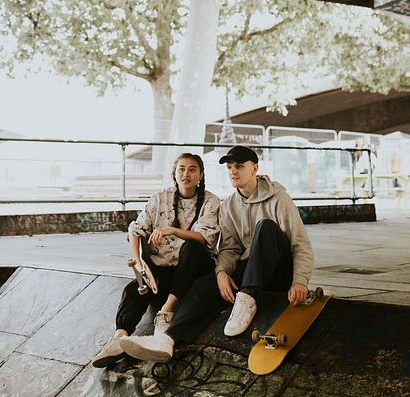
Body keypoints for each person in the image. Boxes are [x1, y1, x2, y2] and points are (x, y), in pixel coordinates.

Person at [121, 144, 314, 362]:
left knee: (266, 227)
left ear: (254, 168)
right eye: (230, 167)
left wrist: (300, 281)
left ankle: (248, 297)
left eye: (239, 166)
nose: (233, 171)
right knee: (204, 285)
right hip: (252, 270)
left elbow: (300, 243)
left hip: (278, 269)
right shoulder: (229, 205)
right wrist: (221, 273)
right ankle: (168, 339)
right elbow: (230, 248)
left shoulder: (279, 198)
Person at [92, 152, 220, 367]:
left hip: (195, 269)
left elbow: (204, 238)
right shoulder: (160, 198)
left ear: (201, 175)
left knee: (193, 247)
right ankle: (119, 339)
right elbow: (136, 230)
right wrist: (141, 266)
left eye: (192, 169)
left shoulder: (211, 201)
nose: (186, 174)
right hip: (165, 269)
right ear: (174, 173)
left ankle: (166, 312)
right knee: (134, 290)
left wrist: (172, 230)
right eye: (181, 169)